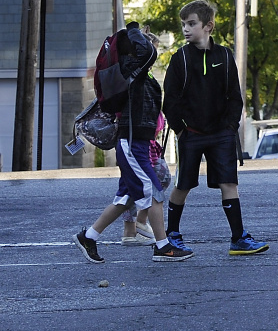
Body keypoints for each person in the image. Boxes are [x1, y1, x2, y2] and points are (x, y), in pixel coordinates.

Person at [72, 23, 193, 263]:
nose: (148, 48)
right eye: (143, 44)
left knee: (125, 198)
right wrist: (133, 29)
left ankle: (89, 236)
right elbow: (148, 52)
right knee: (154, 191)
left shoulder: (139, 73)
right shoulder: (129, 69)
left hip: (138, 143)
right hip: (131, 143)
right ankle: (163, 246)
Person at [161, 0, 268, 256]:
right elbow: (170, 100)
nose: (186, 29)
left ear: (208, 26)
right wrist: (181, 129)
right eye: (184, 24)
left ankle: (238, 238)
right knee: (183, 185)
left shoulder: (224, 55)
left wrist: (231, 126)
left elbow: (235, 95)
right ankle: (172, 235)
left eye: (191, 24)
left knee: (229, 183)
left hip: (221, 133)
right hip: (191, 134)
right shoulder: (180, 59)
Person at [121, 113, 169, 247]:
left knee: (160, 179)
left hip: (145, 140)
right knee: (133, 187)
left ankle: (137, 224)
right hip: (135, 140)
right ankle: (132, 229)